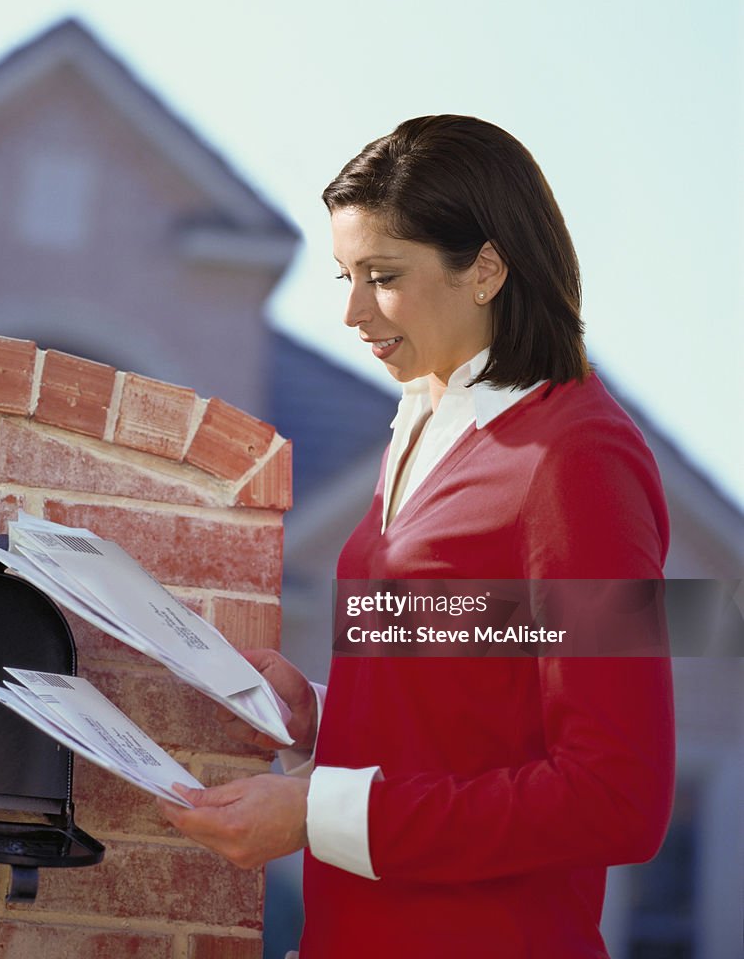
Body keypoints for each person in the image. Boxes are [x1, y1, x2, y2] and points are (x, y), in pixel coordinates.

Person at [157, 115, 675, 957]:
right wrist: (320, 715)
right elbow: (480, 705)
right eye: (345, 276)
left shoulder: (577, 458)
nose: (353, 311)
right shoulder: (423, 424)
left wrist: (315, 812)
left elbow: (616, 795)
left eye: (383, 276)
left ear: (486, 269)